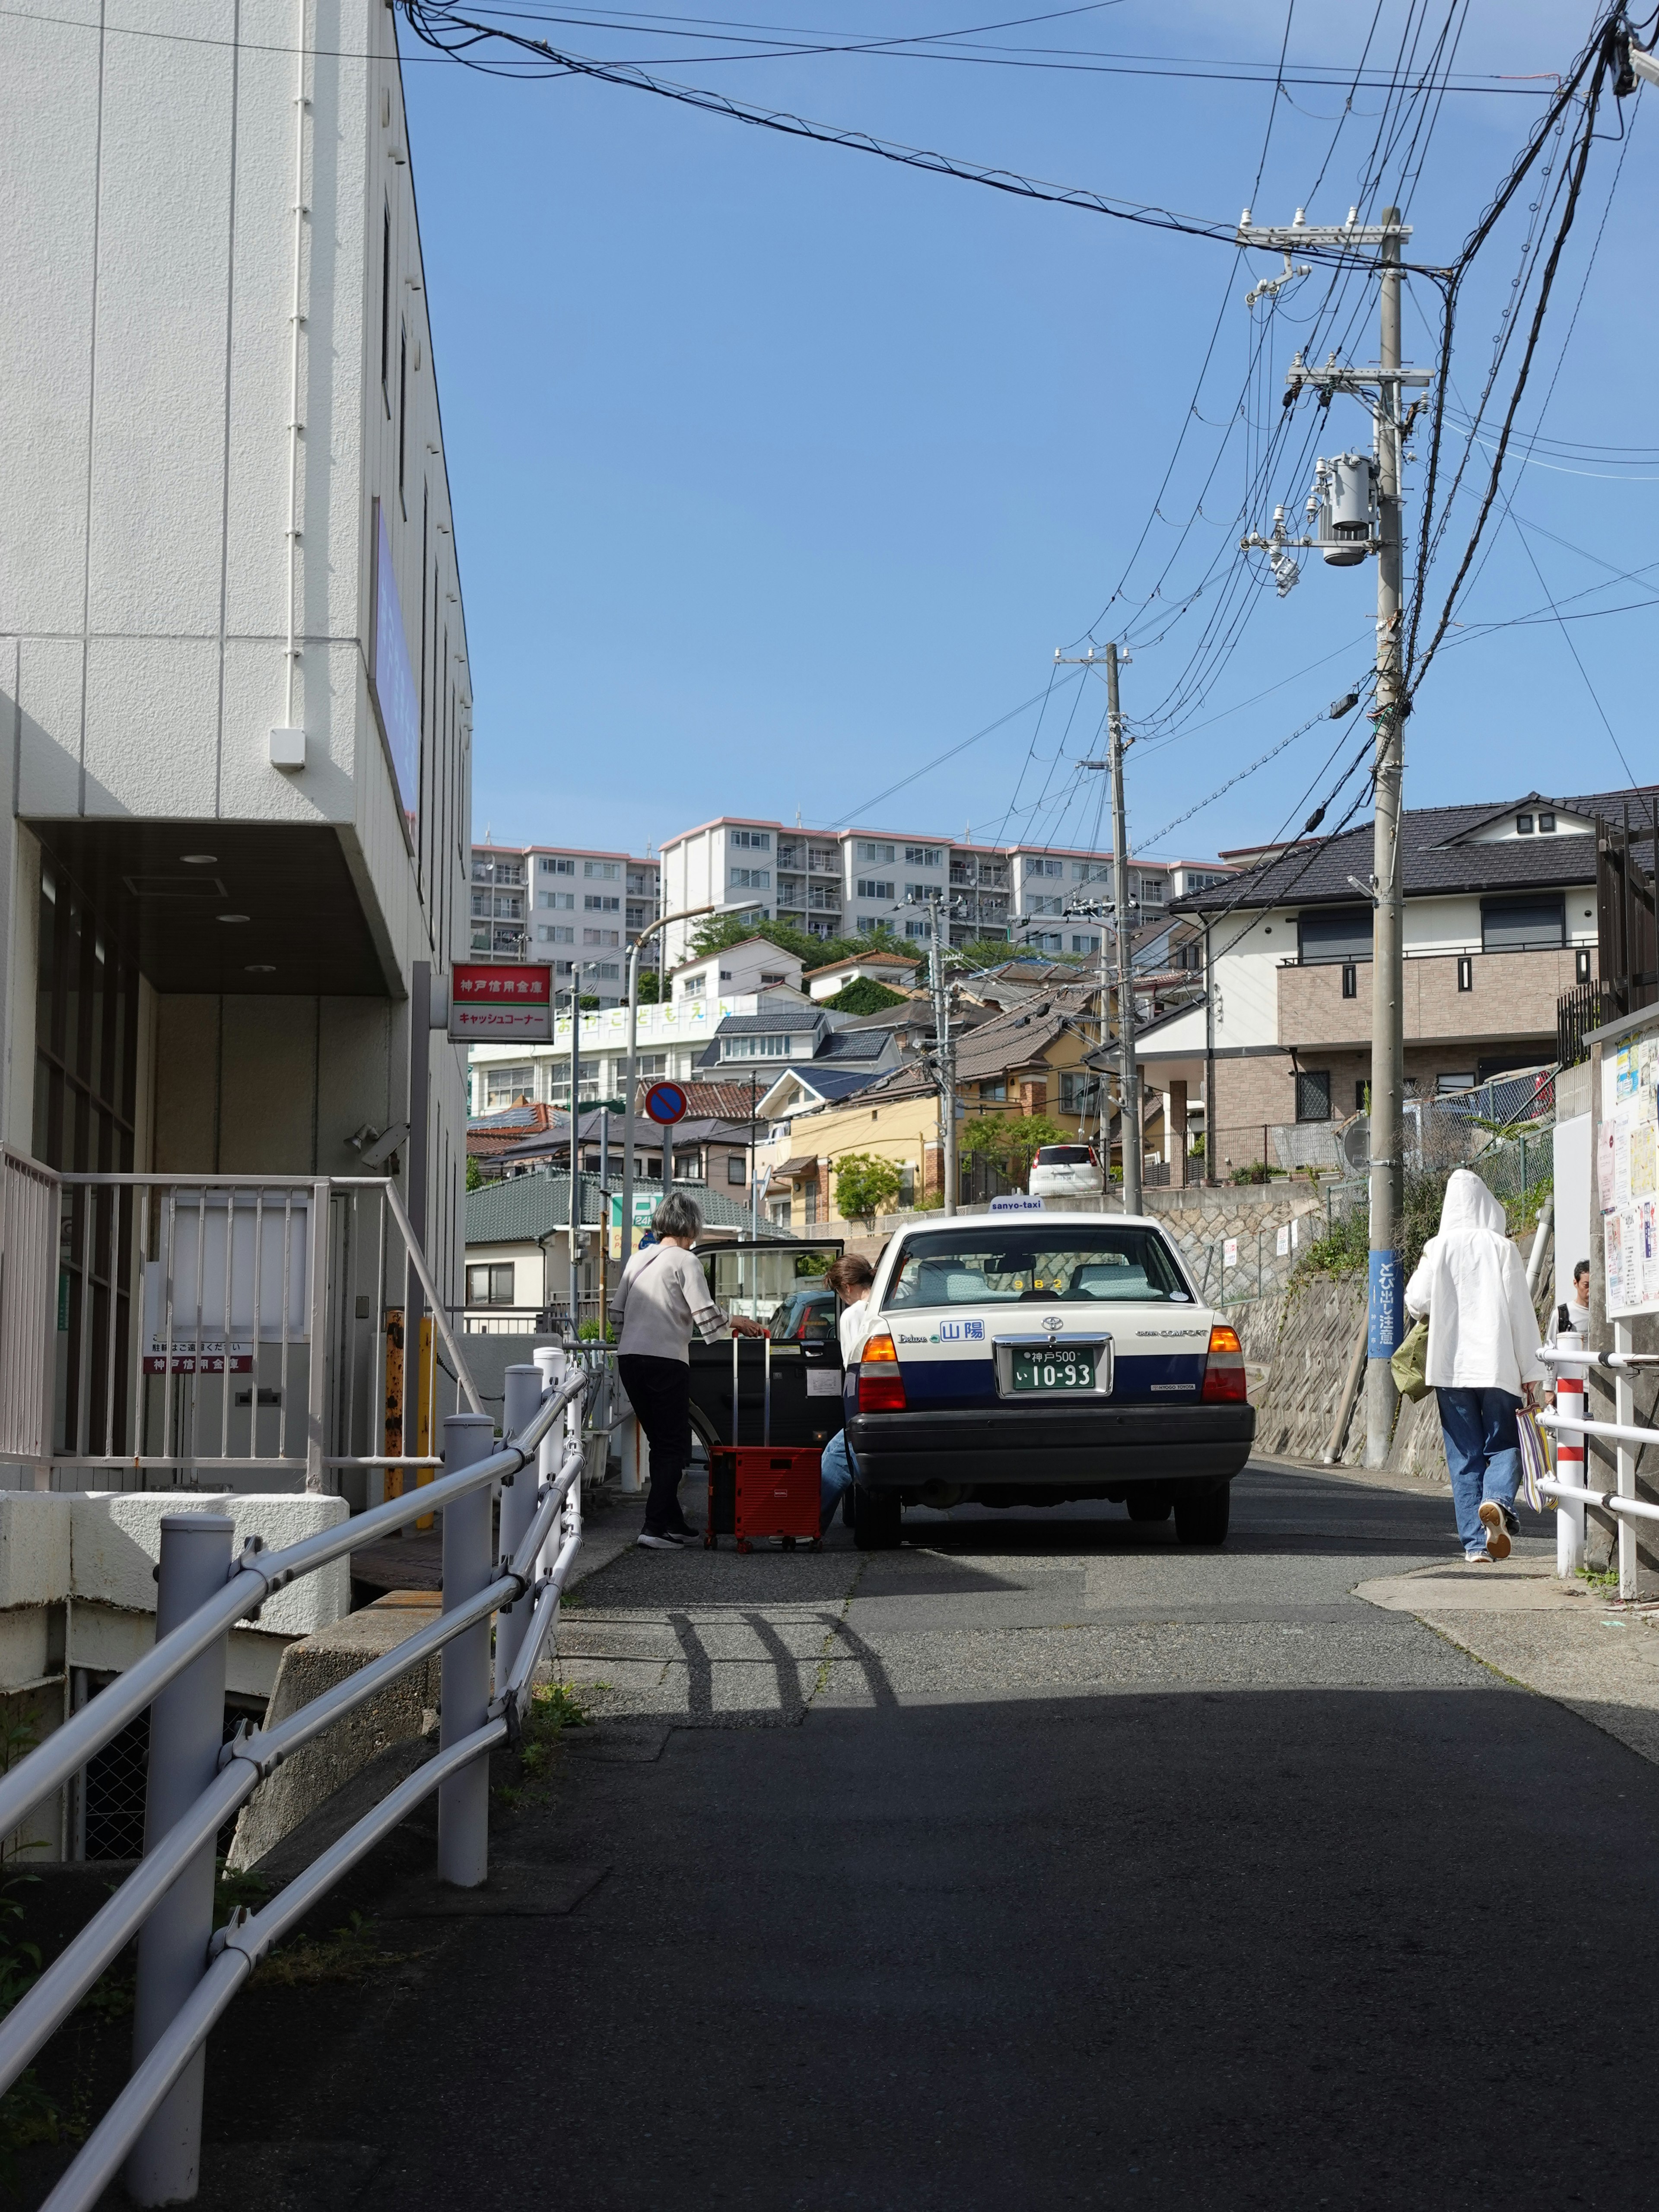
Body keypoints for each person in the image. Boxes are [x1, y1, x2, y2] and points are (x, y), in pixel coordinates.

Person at [1403, 1168, 1545, 1565]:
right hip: (1498, 1366)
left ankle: (1474, 1545)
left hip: (1450, 1369)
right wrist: (1534, 1373)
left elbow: (1416, 1301)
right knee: (1506, 1444)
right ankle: (1497, 1501)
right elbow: (1521, 1313)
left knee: (1464, 1455)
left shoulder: (1438, 1246)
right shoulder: (1501, 1248)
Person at [611, 1194, 765, 1550]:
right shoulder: (686, 1260)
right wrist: (736, 1321)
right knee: (674, 1445)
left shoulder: (638, 1259)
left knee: (661, 1441)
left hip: (630, 1358)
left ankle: (673, 1521)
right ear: (691, 1226)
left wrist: (636, 1337)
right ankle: (653, 1527)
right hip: (665, 1360)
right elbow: (705, 1314)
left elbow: (616, 1314)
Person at [817, 1254, 876, 1534]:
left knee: (836, 1458)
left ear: (848, 1287)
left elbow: (853, 1367)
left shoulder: (853, 1315)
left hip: (868, 1405)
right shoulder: (887, 1305)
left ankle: (808, 1526)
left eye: (840, 1292)